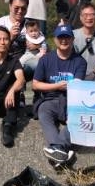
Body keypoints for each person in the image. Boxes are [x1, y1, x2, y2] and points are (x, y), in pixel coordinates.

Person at [33, 24, 87, 169]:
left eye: (67, 37)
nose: (64, 40)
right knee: (43, 111)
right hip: (50, 99)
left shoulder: (80, 61)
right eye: (60, 37)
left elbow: (77, 86)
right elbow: (36, 84)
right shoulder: (45, 60)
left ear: (72, 39)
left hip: (71, 101)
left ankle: (58, 149)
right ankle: (61, 151)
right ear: (55, 40)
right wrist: (56, 86)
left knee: (78, 119)